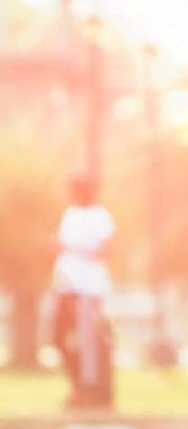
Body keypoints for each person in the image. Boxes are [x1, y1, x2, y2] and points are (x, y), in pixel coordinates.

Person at [51, 174, 116, 410]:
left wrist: (75, 249)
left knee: (87, 343)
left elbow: (104, 249)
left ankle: (90, 392)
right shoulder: (70, 216)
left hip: (88, 289)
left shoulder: (100, 217)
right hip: (65, 286)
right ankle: (77, 386)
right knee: (57, 338)